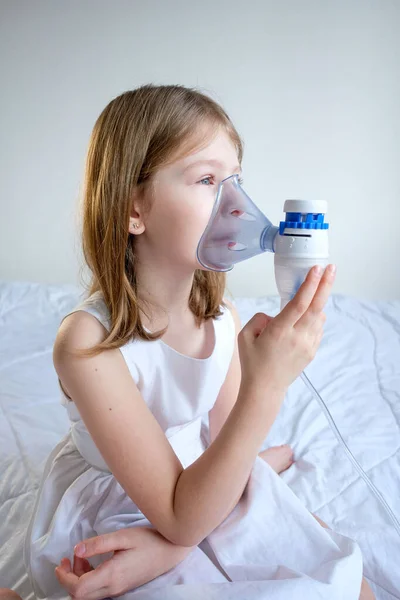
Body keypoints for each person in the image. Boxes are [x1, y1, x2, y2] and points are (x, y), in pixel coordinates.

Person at [22, 84, 374, 600]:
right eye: (208, 180)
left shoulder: (220, 315)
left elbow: (229, 443)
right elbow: (180, 514)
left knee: (345, 582)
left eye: (235, 180)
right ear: (132, 209)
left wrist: (171, 545)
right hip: (130, 501)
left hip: (206, 486)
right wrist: (267, 386)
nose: (237, 204)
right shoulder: (88, 344)